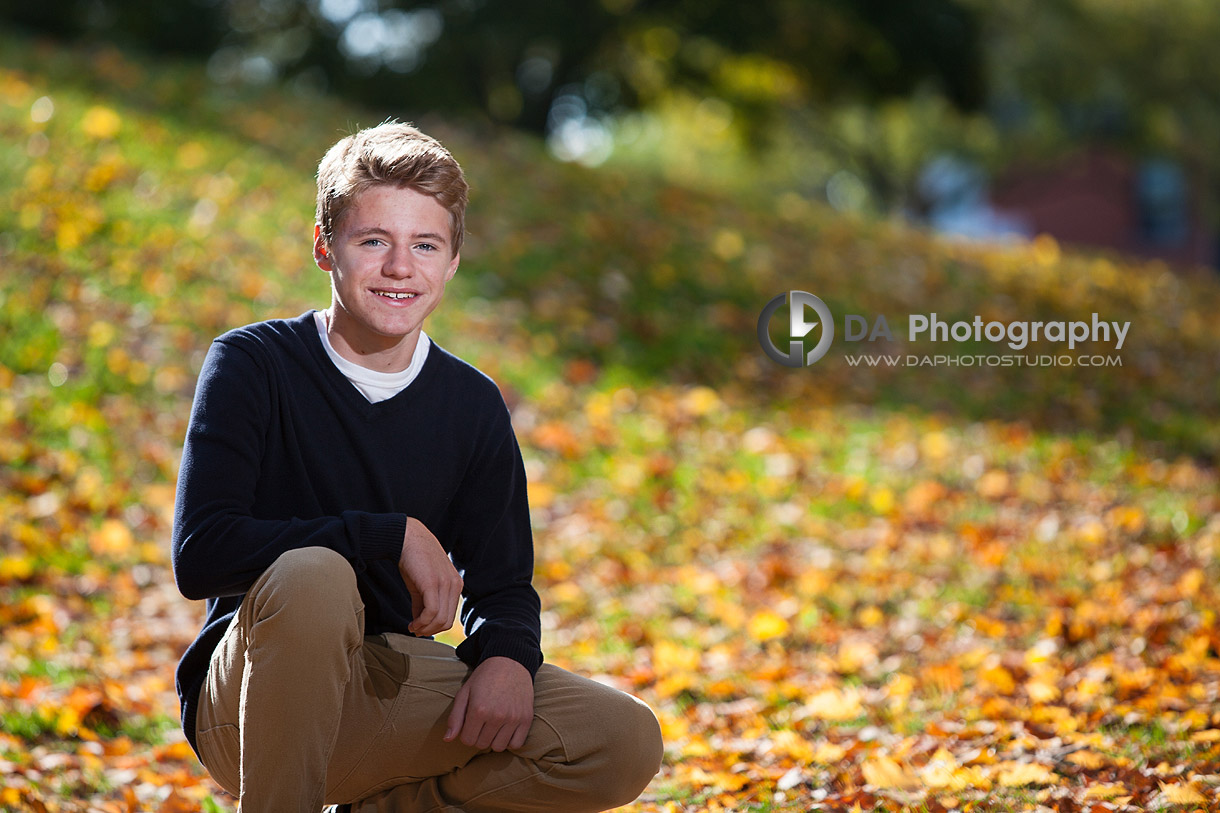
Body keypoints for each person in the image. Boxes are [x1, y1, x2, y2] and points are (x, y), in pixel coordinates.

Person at [171, 121, 663, 812]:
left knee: (620, 736)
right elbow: (201, 554)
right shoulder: (254, 364)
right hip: (252, 697)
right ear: (324, 246)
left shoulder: (471, 404)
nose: (401, 267)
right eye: (374, 240)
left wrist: (505, 657)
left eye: (425, 244)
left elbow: (502, 585)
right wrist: (386, 533)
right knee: (316, 572)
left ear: (453, 259)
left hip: (389, 687)